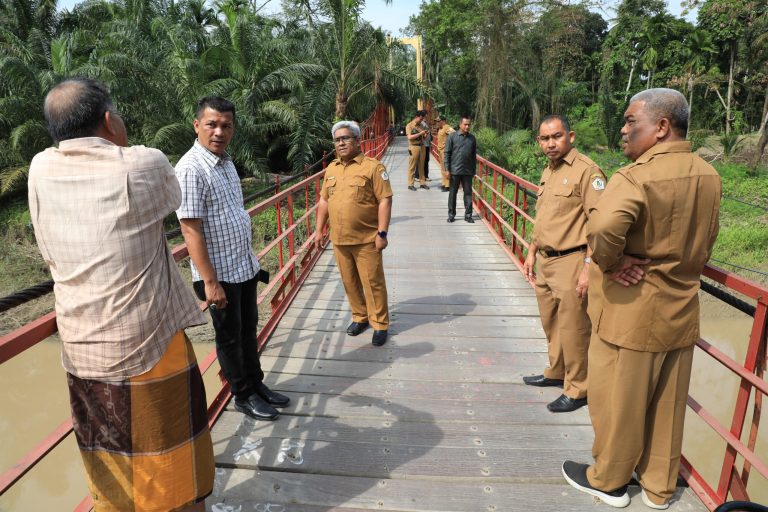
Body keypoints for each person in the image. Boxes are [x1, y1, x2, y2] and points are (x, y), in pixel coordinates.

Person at [28, 78, 214, 511]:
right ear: (109, 120)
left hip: (81, 352)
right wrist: (121, 143)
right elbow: (172, 196)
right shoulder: (141, 164)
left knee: (111, 464)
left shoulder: (39, 167)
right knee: (173, 460)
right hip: (147, 345)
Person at [562, 88, 721, 509]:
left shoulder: (635, 176)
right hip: (682, 305)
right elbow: (705, 239)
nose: (624, 129)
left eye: (632, 121)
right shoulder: (708, 174)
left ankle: (609, 480)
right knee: (668, 405)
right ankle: (659, 487)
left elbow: (602, 230)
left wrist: (611, 265)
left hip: (632, 309)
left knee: (619, 399)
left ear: (662, 127)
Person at [176, 96, 290, 422]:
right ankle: (242, 395)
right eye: (211, 124)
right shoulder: (189, 169)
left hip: (243, 266)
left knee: (247, 329)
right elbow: (190, 229)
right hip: (218, 274)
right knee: (229, 337)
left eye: (226, 125)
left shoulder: (225, 162)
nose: (218, 131)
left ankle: (258, 385)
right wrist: (209, 282)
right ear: (197, 125)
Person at [522, 115, 607, 413]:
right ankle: (556, 372)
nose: (550, 144)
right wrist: (532, 251)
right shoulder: (549, 170)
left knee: (573, 328)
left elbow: (600, 223)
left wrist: (588, 267)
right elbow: (544, 216)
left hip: (571, 260)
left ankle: (578, 387)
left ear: (570, 136)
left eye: (556, 137)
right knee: (552, 323)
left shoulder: (587, 172)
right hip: (545, 260)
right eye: (544, 139)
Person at [315, 121, 393, 347]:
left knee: (373, 282)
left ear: (357, 141)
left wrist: (382, 232)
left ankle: (380, 323)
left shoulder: (373, 167)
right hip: (339, 239)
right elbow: (323, 200)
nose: (341, 143)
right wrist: (319, 230)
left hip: (367, 239)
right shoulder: (331, 168)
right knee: (349, 282)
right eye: (337, 140)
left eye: (346, 138)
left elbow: (385, 200)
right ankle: (360, 317)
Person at [444, 116, 477, 223]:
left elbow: (473, 155)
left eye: (469, 124)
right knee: (452, 193)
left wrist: (473, 170)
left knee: (468, 193)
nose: (467, 126)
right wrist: (447, 169)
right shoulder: (452, 137)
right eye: (465, 124)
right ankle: (451, 214)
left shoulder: (472, 138)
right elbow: (447, 153)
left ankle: (468, 215)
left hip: (467, 171)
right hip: (455, 170)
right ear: (460, 125)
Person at [405, 110, 429, 191]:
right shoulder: (409, 126)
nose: (421, 121)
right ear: (416, 117)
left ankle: (422, 183)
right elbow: (410, 137)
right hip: (413, 147)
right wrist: (420, 133)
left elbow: (424, 137)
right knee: (412, 166)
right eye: (420, 119)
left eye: (422, 119)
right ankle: (410, 184)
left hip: (422, 147)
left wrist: (425, 134)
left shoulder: (421, 125)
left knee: (421, 166)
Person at [436, 116, 454, 192]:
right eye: (436, 121)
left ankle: (448, 185)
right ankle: (444, 184)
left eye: (438, 121)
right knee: (442, 169)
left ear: (443, 121)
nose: (437, 123)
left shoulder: (447, 127)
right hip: (440, 151)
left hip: (445, 151)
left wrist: (448, 143)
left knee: (446, 168)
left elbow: (454, 133)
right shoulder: (440, 129)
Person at [421, 115, 432, 181]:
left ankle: (423, 176)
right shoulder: (423, 124)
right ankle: (424, 176)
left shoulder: (425, 124)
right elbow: (424, 135)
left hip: (427, 145)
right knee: (424, 161)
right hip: (424, 145)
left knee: (425, 161)